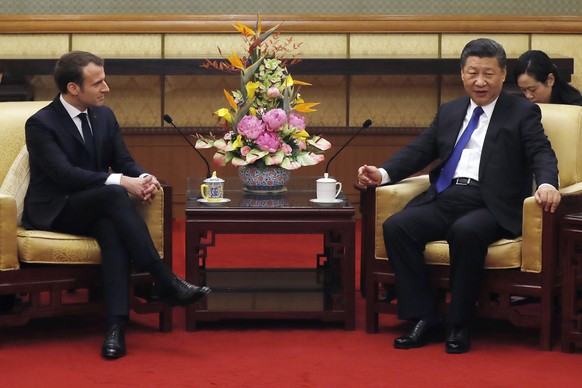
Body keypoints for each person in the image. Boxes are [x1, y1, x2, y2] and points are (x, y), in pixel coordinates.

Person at [357, 38, 561, 354]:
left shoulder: (522, 111)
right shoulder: (451, 110)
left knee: (465, 231)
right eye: (472, 73)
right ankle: (424, 317)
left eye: (488, 73)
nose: (480, 81)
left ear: (503, 74)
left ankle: (459, 322)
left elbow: (541, 152)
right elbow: (420, 150)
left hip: (492, 203)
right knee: (398, 227)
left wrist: (548, 183)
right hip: (448, 194)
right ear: (462, 73)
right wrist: (381, 174)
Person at [22, 51, 211, 359]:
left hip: (96, 206)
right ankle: (163, 279)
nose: (106, 88)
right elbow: (64, 175)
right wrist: (123, 182)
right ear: (73, 88)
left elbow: (122, 161)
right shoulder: (41, 124)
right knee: (114, 195)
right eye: (97, 83)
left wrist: (145, 178)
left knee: (113, 229)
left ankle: (115, 327)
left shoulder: (104, 115)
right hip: (56, 209)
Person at [514, 49, 582, 105]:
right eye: (523, 90)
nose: (528, 96)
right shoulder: (518, 104)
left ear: (550, 80)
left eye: (532, 89)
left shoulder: (574, 109)